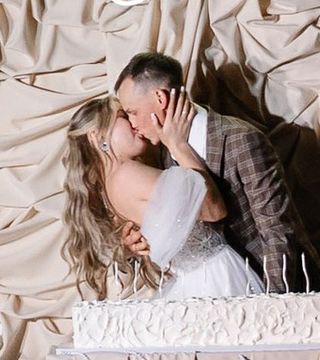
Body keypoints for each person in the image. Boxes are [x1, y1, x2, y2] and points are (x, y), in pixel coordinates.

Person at [105, 51, 300, 287]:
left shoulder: (240, 139)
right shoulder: (160, 154)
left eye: (133, 112)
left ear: (160, 98)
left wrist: (273, 300)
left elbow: (277, 230)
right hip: (213, 291)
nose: (133, 124)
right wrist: (139, 245)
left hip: (268, 286)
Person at [59, 96, 262, 302]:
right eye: (122, 116)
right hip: (216, 279)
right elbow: (213, 209)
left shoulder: (109, 188)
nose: (133, 122)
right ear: (97, 136)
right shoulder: (128, 174)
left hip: (195, 283)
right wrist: (178, 145)